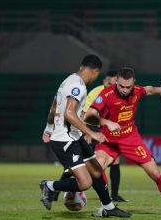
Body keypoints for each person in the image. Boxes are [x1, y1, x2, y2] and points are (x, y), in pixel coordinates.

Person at [84, 67, 161, 217]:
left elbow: (148, 89)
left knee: (155, 172)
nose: (125, 90)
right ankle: (105, 206)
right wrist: (106, 122)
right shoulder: (106, 94)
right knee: (97, 169)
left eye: (128, 87)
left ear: (133, 84)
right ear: (116, 82)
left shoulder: (136, 91)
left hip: (130, 138)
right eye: (121, 86)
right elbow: (89, 115)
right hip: (109, 139)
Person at [40, 55, 130, 218]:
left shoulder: (67, 80)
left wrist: (48, 128)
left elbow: (54, 108)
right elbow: (69, 113)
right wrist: (92, 133)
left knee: (96, 171)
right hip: (65, 140)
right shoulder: (78, 86)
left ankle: (108, 207)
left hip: (72, 136)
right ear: (95, 71)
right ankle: (50, 186)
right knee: (85, 182)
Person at [51, 70, 128, 203]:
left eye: (114, 83)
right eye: (109, 83)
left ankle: (114, 196)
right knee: (78, 166)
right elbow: (84, 115)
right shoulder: (95, 93)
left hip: (104, 130)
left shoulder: (118, 93)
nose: (111, 85)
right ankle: (55, 190)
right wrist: (87, 134)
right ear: (104, 81)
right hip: (91, 129)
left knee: (115, 161)